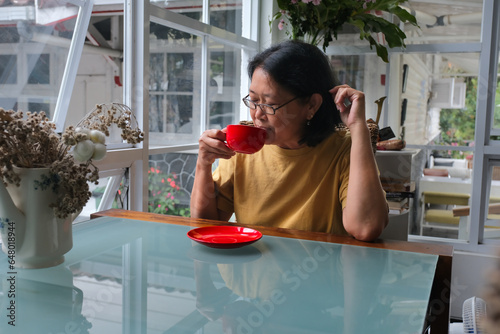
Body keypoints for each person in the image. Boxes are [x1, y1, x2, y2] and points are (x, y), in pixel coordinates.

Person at [190, 40, 388, 241]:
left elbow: (366, 228)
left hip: (320, 271)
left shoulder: (343, 149)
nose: (257, 114)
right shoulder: (243, 147)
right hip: (248, 267)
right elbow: (205, 225)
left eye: (270, 104)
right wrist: (203, 164)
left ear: (311, 105)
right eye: (254, 100)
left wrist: (358, 127)